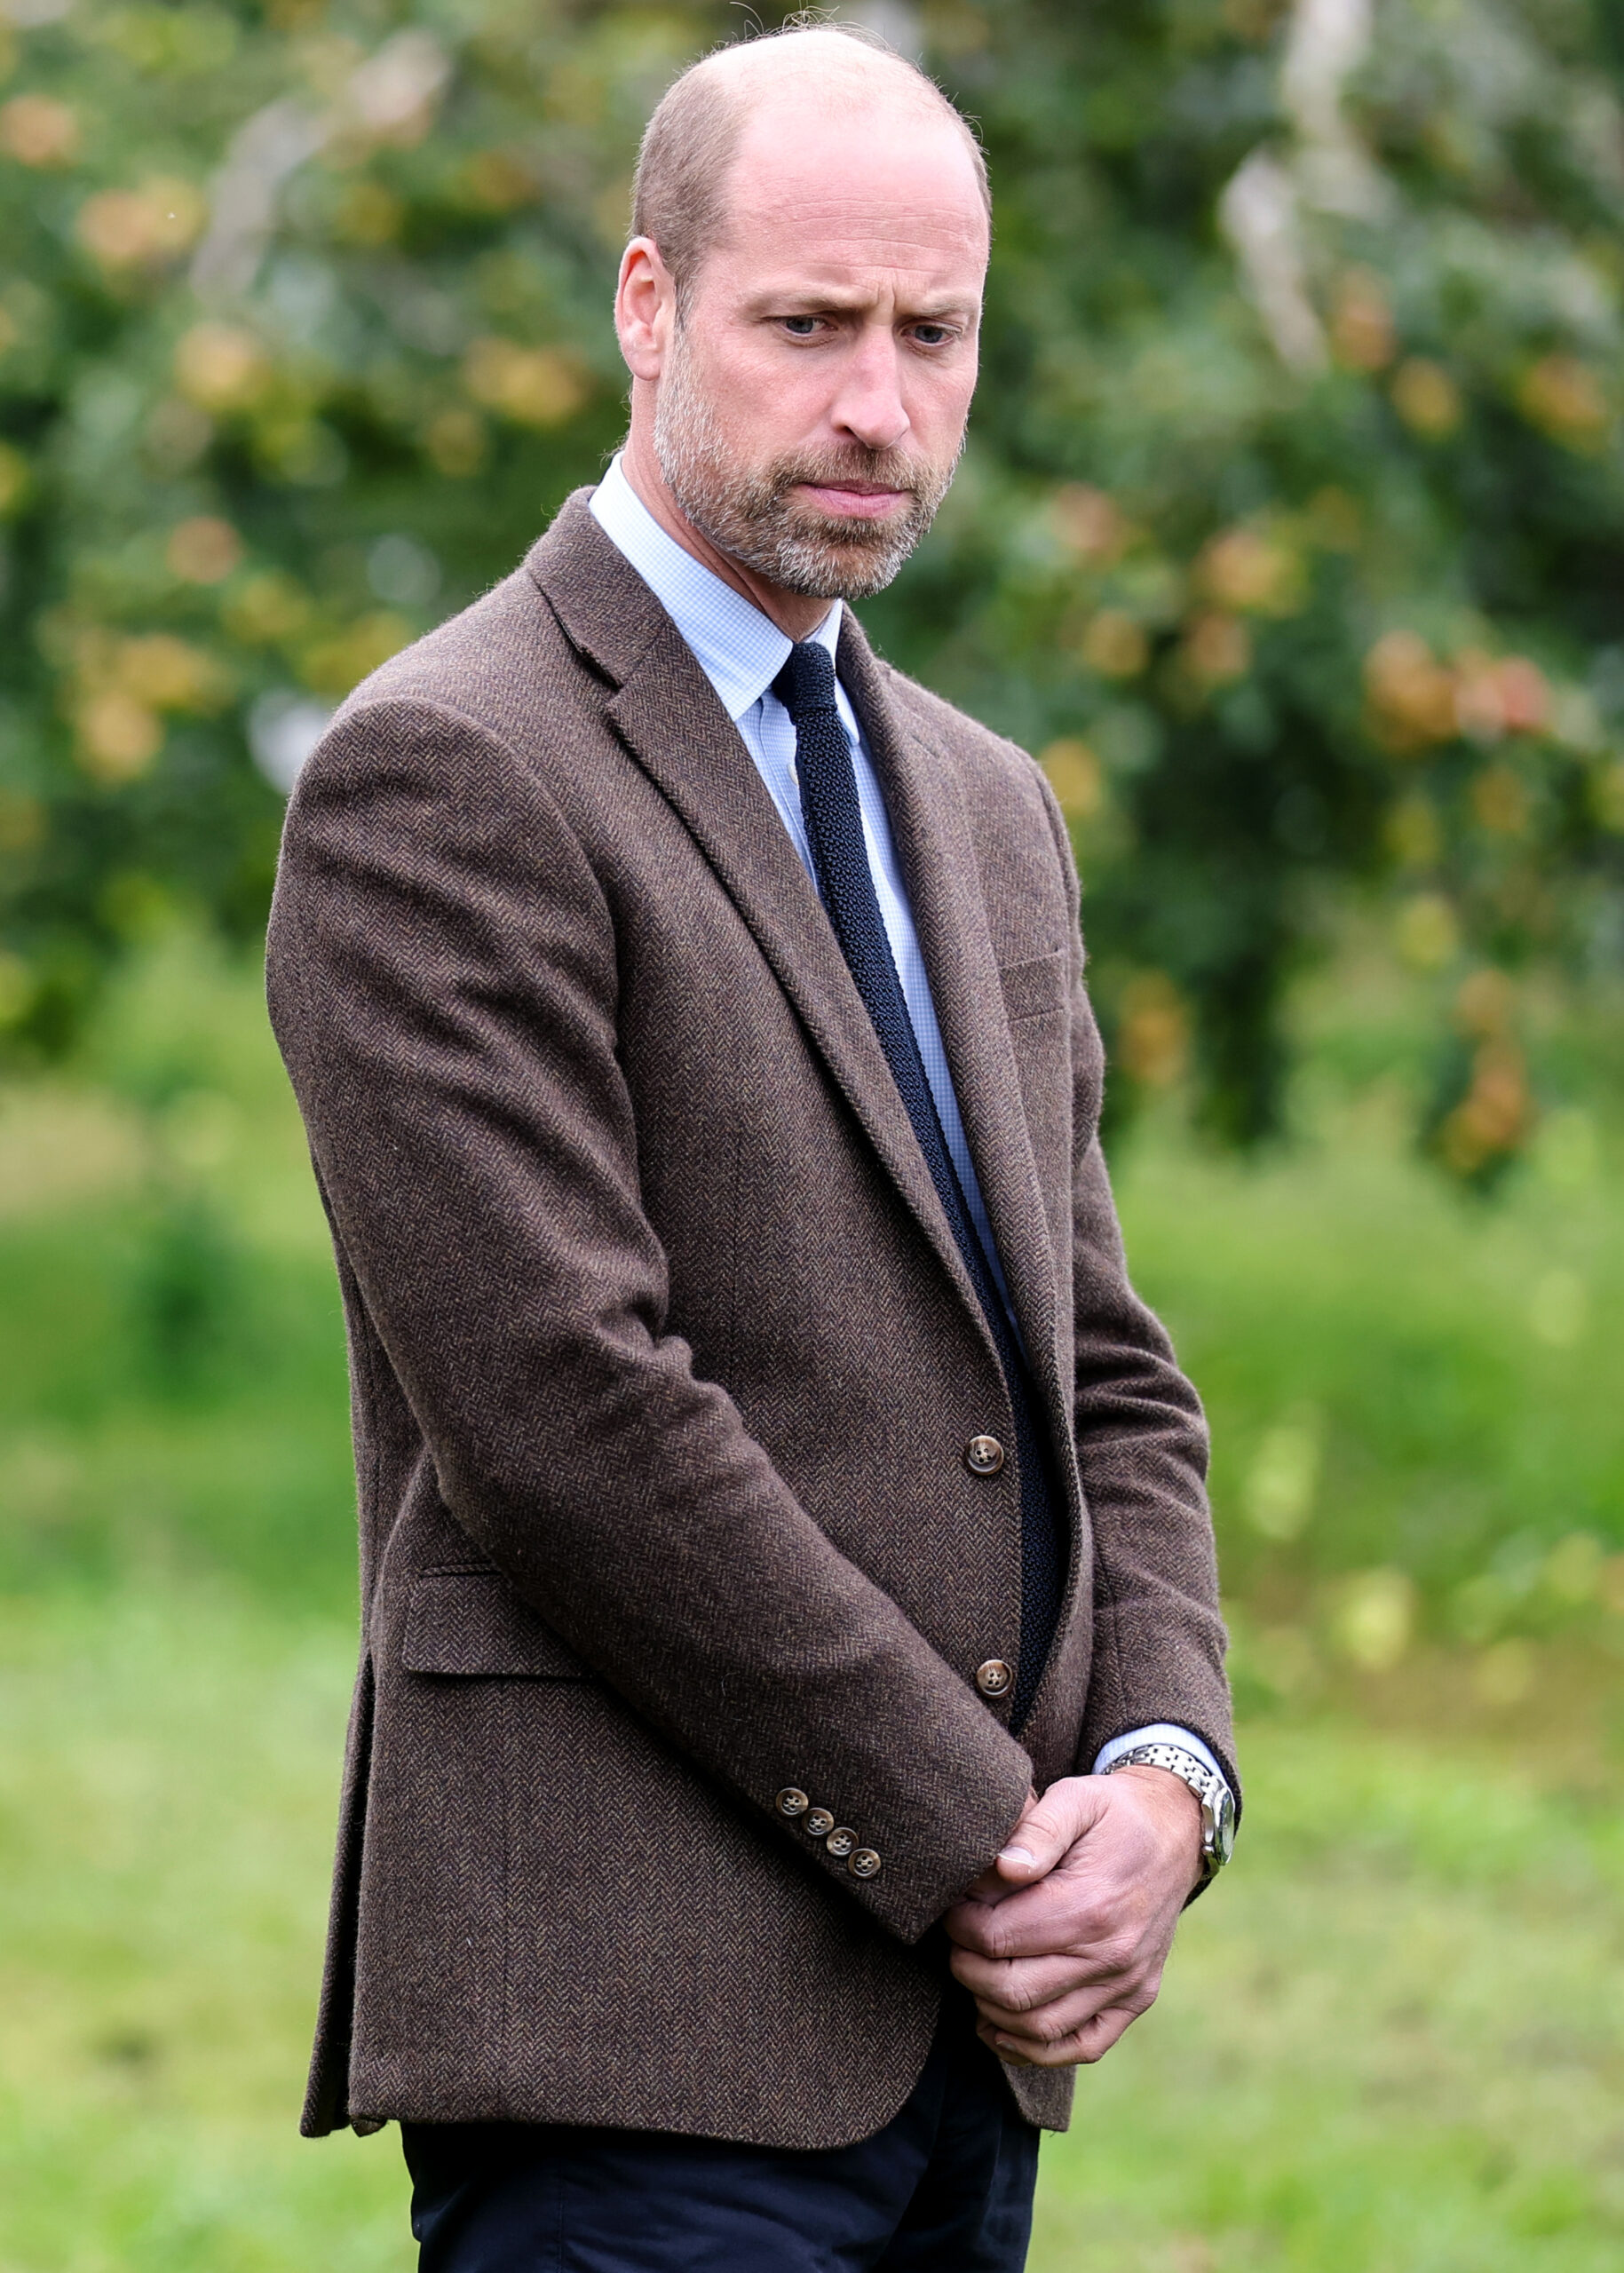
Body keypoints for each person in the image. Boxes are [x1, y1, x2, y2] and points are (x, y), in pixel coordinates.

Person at [266, 22, 1237, 2272]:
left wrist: (1169, 1779)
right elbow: (568, 1418)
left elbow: (1101, 1363)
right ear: (647, 302)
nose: (880, 403)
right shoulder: (446, 771)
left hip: (961, 2053)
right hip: (631, 2038)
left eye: (934, 332)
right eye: (807, 324)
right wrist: (986, 1838)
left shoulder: (985, 803)